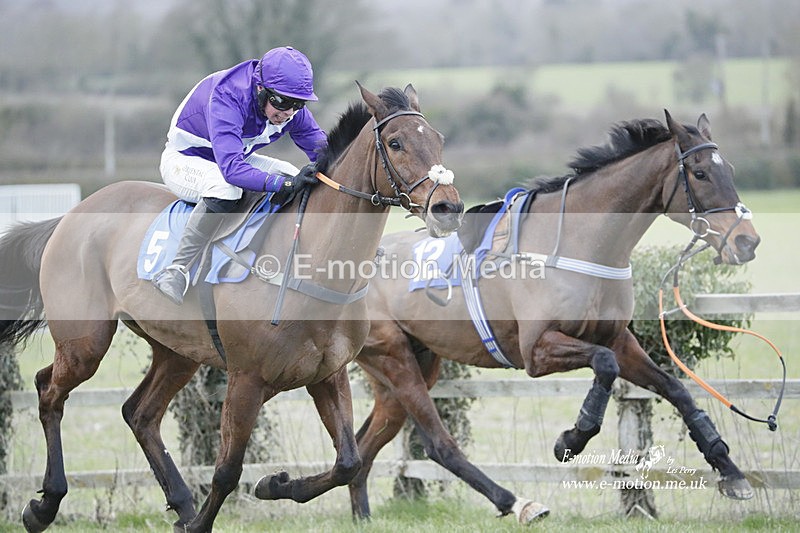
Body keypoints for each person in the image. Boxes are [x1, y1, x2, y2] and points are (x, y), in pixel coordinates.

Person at [153, 46, 326, 305]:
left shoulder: (289, 108)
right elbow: (232, 170)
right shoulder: (228, 95)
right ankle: (177, 269)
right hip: (186, 159)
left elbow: (325, 153)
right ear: (260, 89)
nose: (289, 112)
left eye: (298, 104)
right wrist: (283, 184)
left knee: (293, 173)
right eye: (282, 102)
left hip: (233, 157)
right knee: (227, 189)